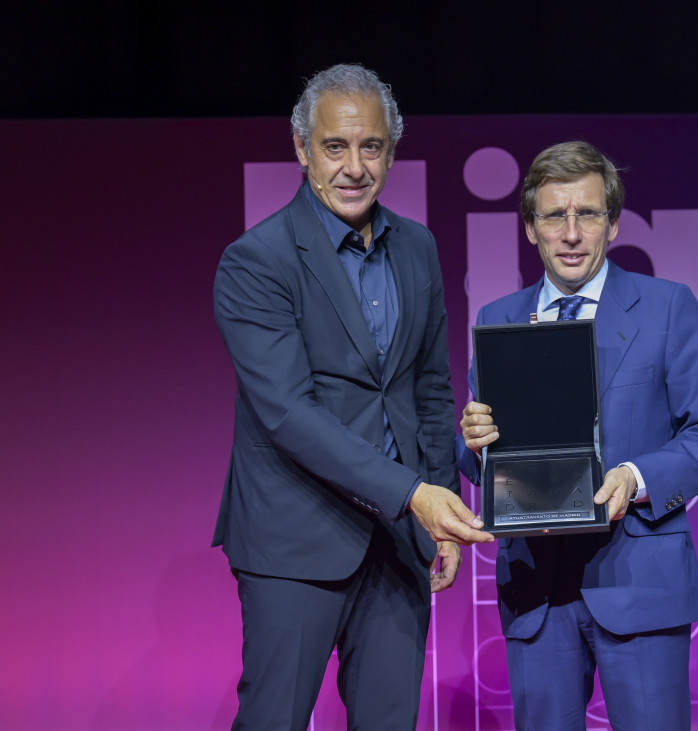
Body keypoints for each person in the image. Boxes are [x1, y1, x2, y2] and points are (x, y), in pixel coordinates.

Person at [212, 63, 493, 731]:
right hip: (294, 540)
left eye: (371, 146)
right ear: (302, 148)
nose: (354, 166)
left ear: (392, 152)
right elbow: (287, 413)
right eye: (335, 146)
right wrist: (413, 494)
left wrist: (432, 506)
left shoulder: (418, 248)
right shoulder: (258, 260)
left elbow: (430, 388)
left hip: (397, 544)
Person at [458, 140, 698, 730]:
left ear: (611, 222)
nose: (571, 232)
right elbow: (484, 460)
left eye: (586, 214)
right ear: (530, 228)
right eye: (553, 216)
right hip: (536, 590)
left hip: (639, 579)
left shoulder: (667, 307)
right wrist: (474, 440)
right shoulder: (497, 320)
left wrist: (636, 477)